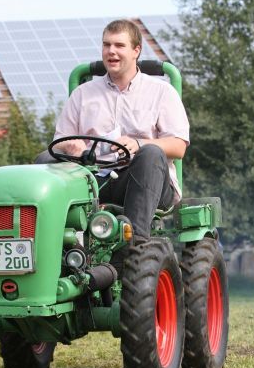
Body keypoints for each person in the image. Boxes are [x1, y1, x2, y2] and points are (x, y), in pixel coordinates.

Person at [49, 19, 190, 252]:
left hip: (145, 178)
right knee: (44, 160)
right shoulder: (83, 94)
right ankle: (51, 246)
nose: (111, 51)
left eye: (119, 45)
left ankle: (134, 248)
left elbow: (178, 146)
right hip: (93, 180)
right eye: (106, 45)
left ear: (136, 51)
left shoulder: (161, 92)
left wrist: (138, 143)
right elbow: (60, 141)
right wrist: (73, 147)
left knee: (151, 153)